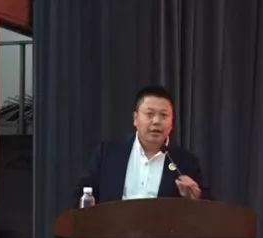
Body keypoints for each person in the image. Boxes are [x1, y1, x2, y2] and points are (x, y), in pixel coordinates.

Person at [74, 85, 205, 205]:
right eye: (150, 114)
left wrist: (196, 198)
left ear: (172, 123)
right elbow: (83, 194)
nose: (156, 121)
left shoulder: (186, 162)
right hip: (114, 224)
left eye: (163, 115)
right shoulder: (108, 152)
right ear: (135, 119)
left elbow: (206, 208)